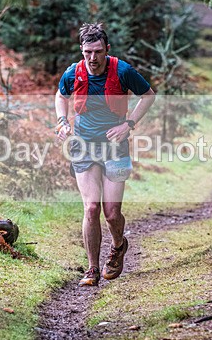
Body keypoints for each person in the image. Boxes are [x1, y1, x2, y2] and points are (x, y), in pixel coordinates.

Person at [54, 22, 156, 287]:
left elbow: (148, 95)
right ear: (81, 50)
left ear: (106, 49)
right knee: (91, 208)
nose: (92, 58)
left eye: (98, 51)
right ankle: (91, 269)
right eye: (87, 51)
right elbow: (60, 95)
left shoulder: (123, 70)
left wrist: (129, 124)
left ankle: (119, 245)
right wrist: (62, 121)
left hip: (114, 147)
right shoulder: (73, 73)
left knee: (111, 213)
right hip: (84, 147)